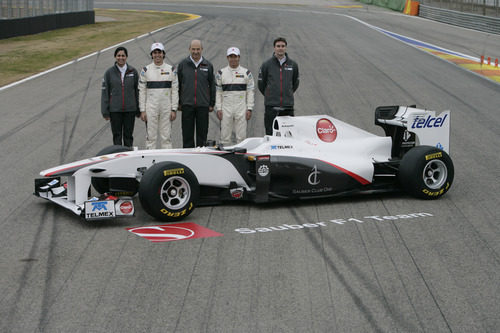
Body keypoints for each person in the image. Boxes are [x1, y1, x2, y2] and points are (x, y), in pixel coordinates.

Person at [138, 42, 178, 149]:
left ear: (163, 54)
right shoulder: (145, 70)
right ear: (151, 55)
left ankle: (167, 162)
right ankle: (150, 162)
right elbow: (141, 91)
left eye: (159, 52)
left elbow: (175, 90)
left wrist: (174, 109)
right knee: (151, 137)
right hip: (151, 108)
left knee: (166, 137)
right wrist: (142, 110)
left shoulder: (171, 69)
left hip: (166, 108)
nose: (157, 55)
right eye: (154, 53)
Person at [177, 39, 216, 148]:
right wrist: (179, 102)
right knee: (187, 136)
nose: (195, 52)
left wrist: (212, 103)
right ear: (189, 49)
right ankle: (188, 158)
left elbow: (212, 85)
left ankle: (202, 158)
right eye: (193, 49)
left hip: (203, 105)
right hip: (187, 105)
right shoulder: (182, 65)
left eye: (198, 49)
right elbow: (178, 85)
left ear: (202, 50)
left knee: (202, 136)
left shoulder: (208, 65)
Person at [258, 37, 300, 135]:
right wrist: (270, 94)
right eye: (278, 46)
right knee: (270, 133)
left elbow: (295, 83)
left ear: (285, 48)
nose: (280, 48)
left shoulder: (293, 65)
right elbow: (261, 84)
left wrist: (287, 93)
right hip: (271, 105)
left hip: (287, 106)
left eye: (282, 46)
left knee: (288, 134)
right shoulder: (266, 64)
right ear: (274, 48)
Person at [215, 47, 255, 146]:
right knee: (224, 137)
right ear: (227, 58)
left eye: (235, 56)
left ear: (239, 57)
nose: (233, 59)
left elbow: (250, 92)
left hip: (241, 107)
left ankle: (240, 158)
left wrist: (249, 108)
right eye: (231, 56)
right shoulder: (220, 73)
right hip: (226, 107)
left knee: (241, 137)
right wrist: (219, 108)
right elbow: (218, 92)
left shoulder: (246, 73)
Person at [101, 46, 139, 147]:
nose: (121, 58)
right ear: (115, 57)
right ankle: (118, 157)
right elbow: (105, 92)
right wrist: (105, 111)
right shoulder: (109, 73)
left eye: (123, 55)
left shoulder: (133, 71)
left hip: (130, 110)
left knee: (128, 136)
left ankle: (129, 156)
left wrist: (138, 108)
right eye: (118, 55)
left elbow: (137, 91)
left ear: (126, 57)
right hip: (115, 110)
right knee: (117, 136)